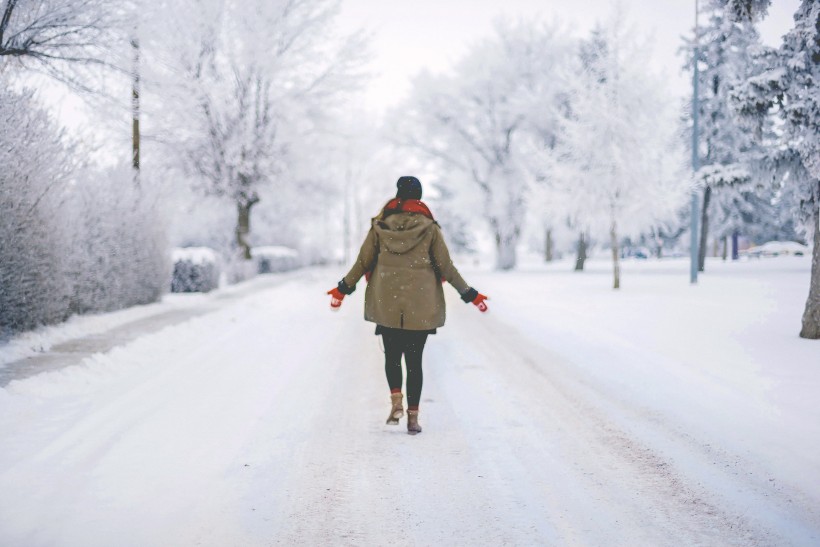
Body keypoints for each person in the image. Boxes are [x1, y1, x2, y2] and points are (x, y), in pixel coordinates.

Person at [327, 176, 488, 435]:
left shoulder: (380, 226)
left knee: (392, 357)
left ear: (399, 195)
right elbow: (446, 267)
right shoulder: (430, 228)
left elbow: (363, 262)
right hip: (420, 305)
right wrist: (471, 294)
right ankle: (413, 419)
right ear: (419, 197)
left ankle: (396, 402)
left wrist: (343, 288)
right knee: (414, 362)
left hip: (386, 301)